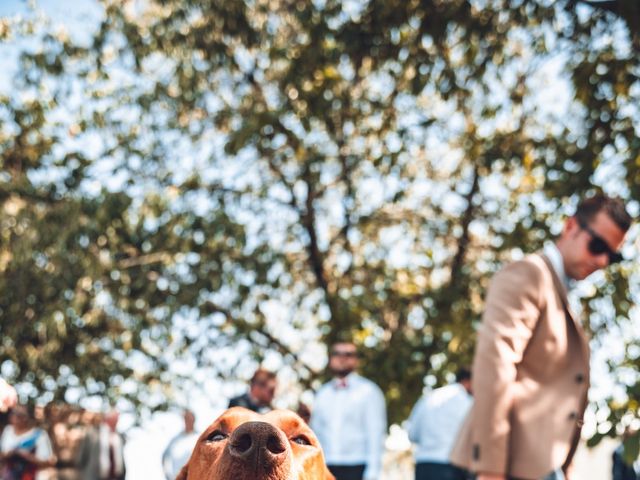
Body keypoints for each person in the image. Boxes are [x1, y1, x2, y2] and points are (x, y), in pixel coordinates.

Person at [451, 194, 632, 480]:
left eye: (612, 256)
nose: (601, 260)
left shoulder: (566, 293)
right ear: (570, 226)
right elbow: (496, 367)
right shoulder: (528, 274)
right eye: (597, 245)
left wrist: (564, 466)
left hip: (541, 466)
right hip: (505, 465)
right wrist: (491, 468)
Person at [310, 341, 387, 480]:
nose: (342, 358)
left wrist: (373, 473)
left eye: (348, 354)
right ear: (330, 359)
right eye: (337, 353)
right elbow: (316, 433)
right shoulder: (322, 393)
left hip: (357, 466)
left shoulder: (369, 391)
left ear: (356, 359)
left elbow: (375, 434)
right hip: (326, 466)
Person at [407, 368, 473, 480]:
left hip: (423, 466)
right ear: (468, 381)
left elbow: (412, 434)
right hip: (451, 467)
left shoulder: (429, 397)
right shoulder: (466, 401)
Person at [0, 403, 56, 480]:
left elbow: (49, 462)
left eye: (20, 415)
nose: (15, 417)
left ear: (28, 418)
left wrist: (26, 456)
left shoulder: (39, 435)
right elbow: (2, 454)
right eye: (13, 413)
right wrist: (8, 455)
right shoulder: (8, 430)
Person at [76, 410, 126, 480]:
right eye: (115, 419)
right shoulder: (93, 433)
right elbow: (82, 458)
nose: (117, 421)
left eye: (117, 419)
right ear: (108, 419)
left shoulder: (119, 436)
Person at [162, 409, 199, 480]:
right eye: (186, 419)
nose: (188, 421)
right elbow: (164, 457)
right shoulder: (175, 439)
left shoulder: (199, 437)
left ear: (194, 420)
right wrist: (167, 476)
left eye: (190, 419)